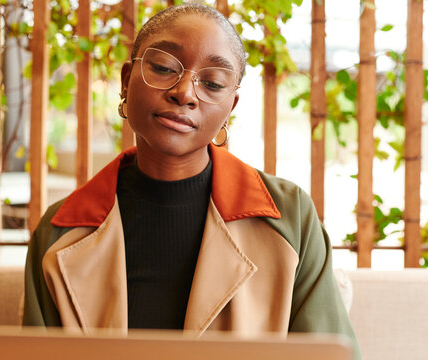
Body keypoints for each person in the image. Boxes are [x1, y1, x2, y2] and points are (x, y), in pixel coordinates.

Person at [23, 3, 361, 359]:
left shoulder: (289, 219)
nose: (184, 92)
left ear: (230, 106)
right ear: (126, 81)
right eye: (164, 68)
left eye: (212, 83)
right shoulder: (60, 233)